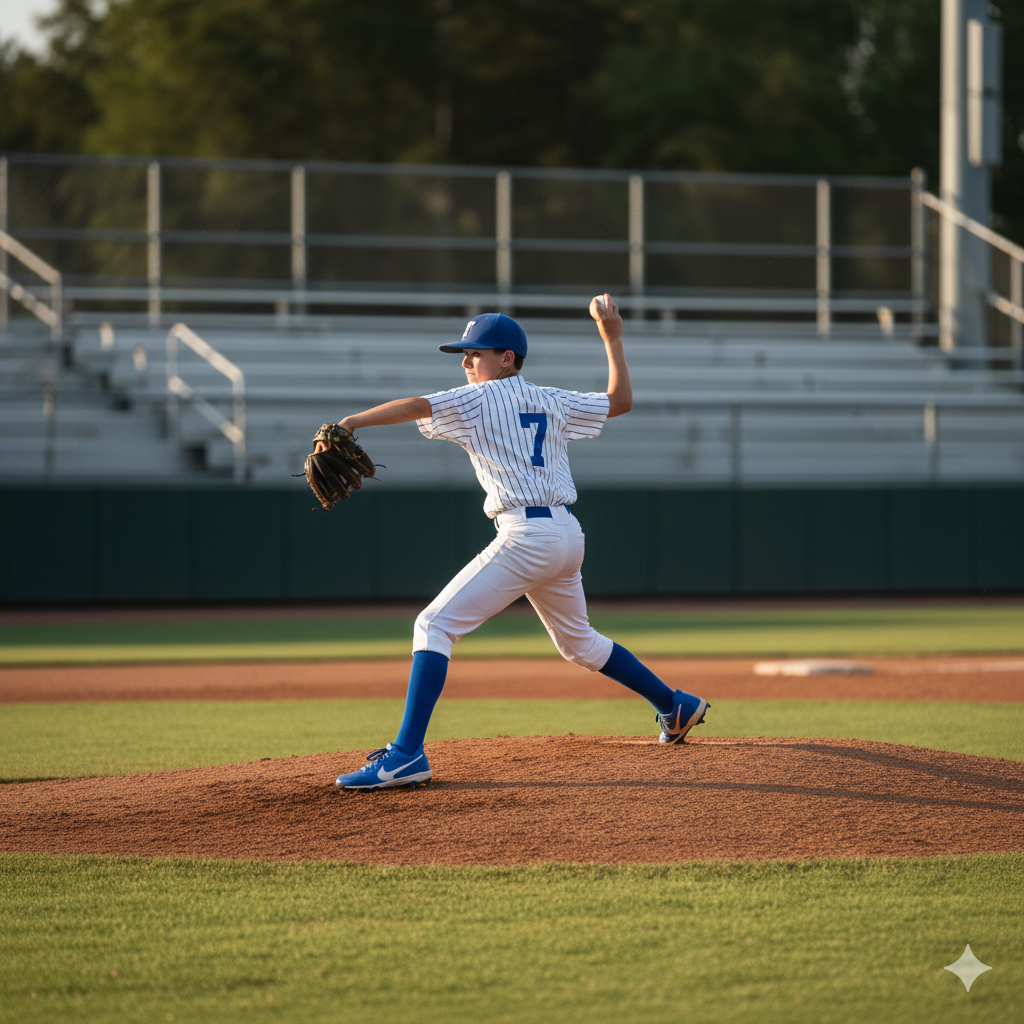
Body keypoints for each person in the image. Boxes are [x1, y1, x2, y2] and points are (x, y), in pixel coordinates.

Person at [330, 295, 709, 790]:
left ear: (506, 357)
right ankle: (673, 704)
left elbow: (419, 406)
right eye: (463, 354)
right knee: (579, 643)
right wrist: (612, 338)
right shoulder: (552, 399)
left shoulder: (476, 399)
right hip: (566, 535)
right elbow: (620, 402)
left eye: (475, 353)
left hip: (527, 535)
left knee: (434, 625)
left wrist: (350, 423)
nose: (466, 362)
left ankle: (405, 755)